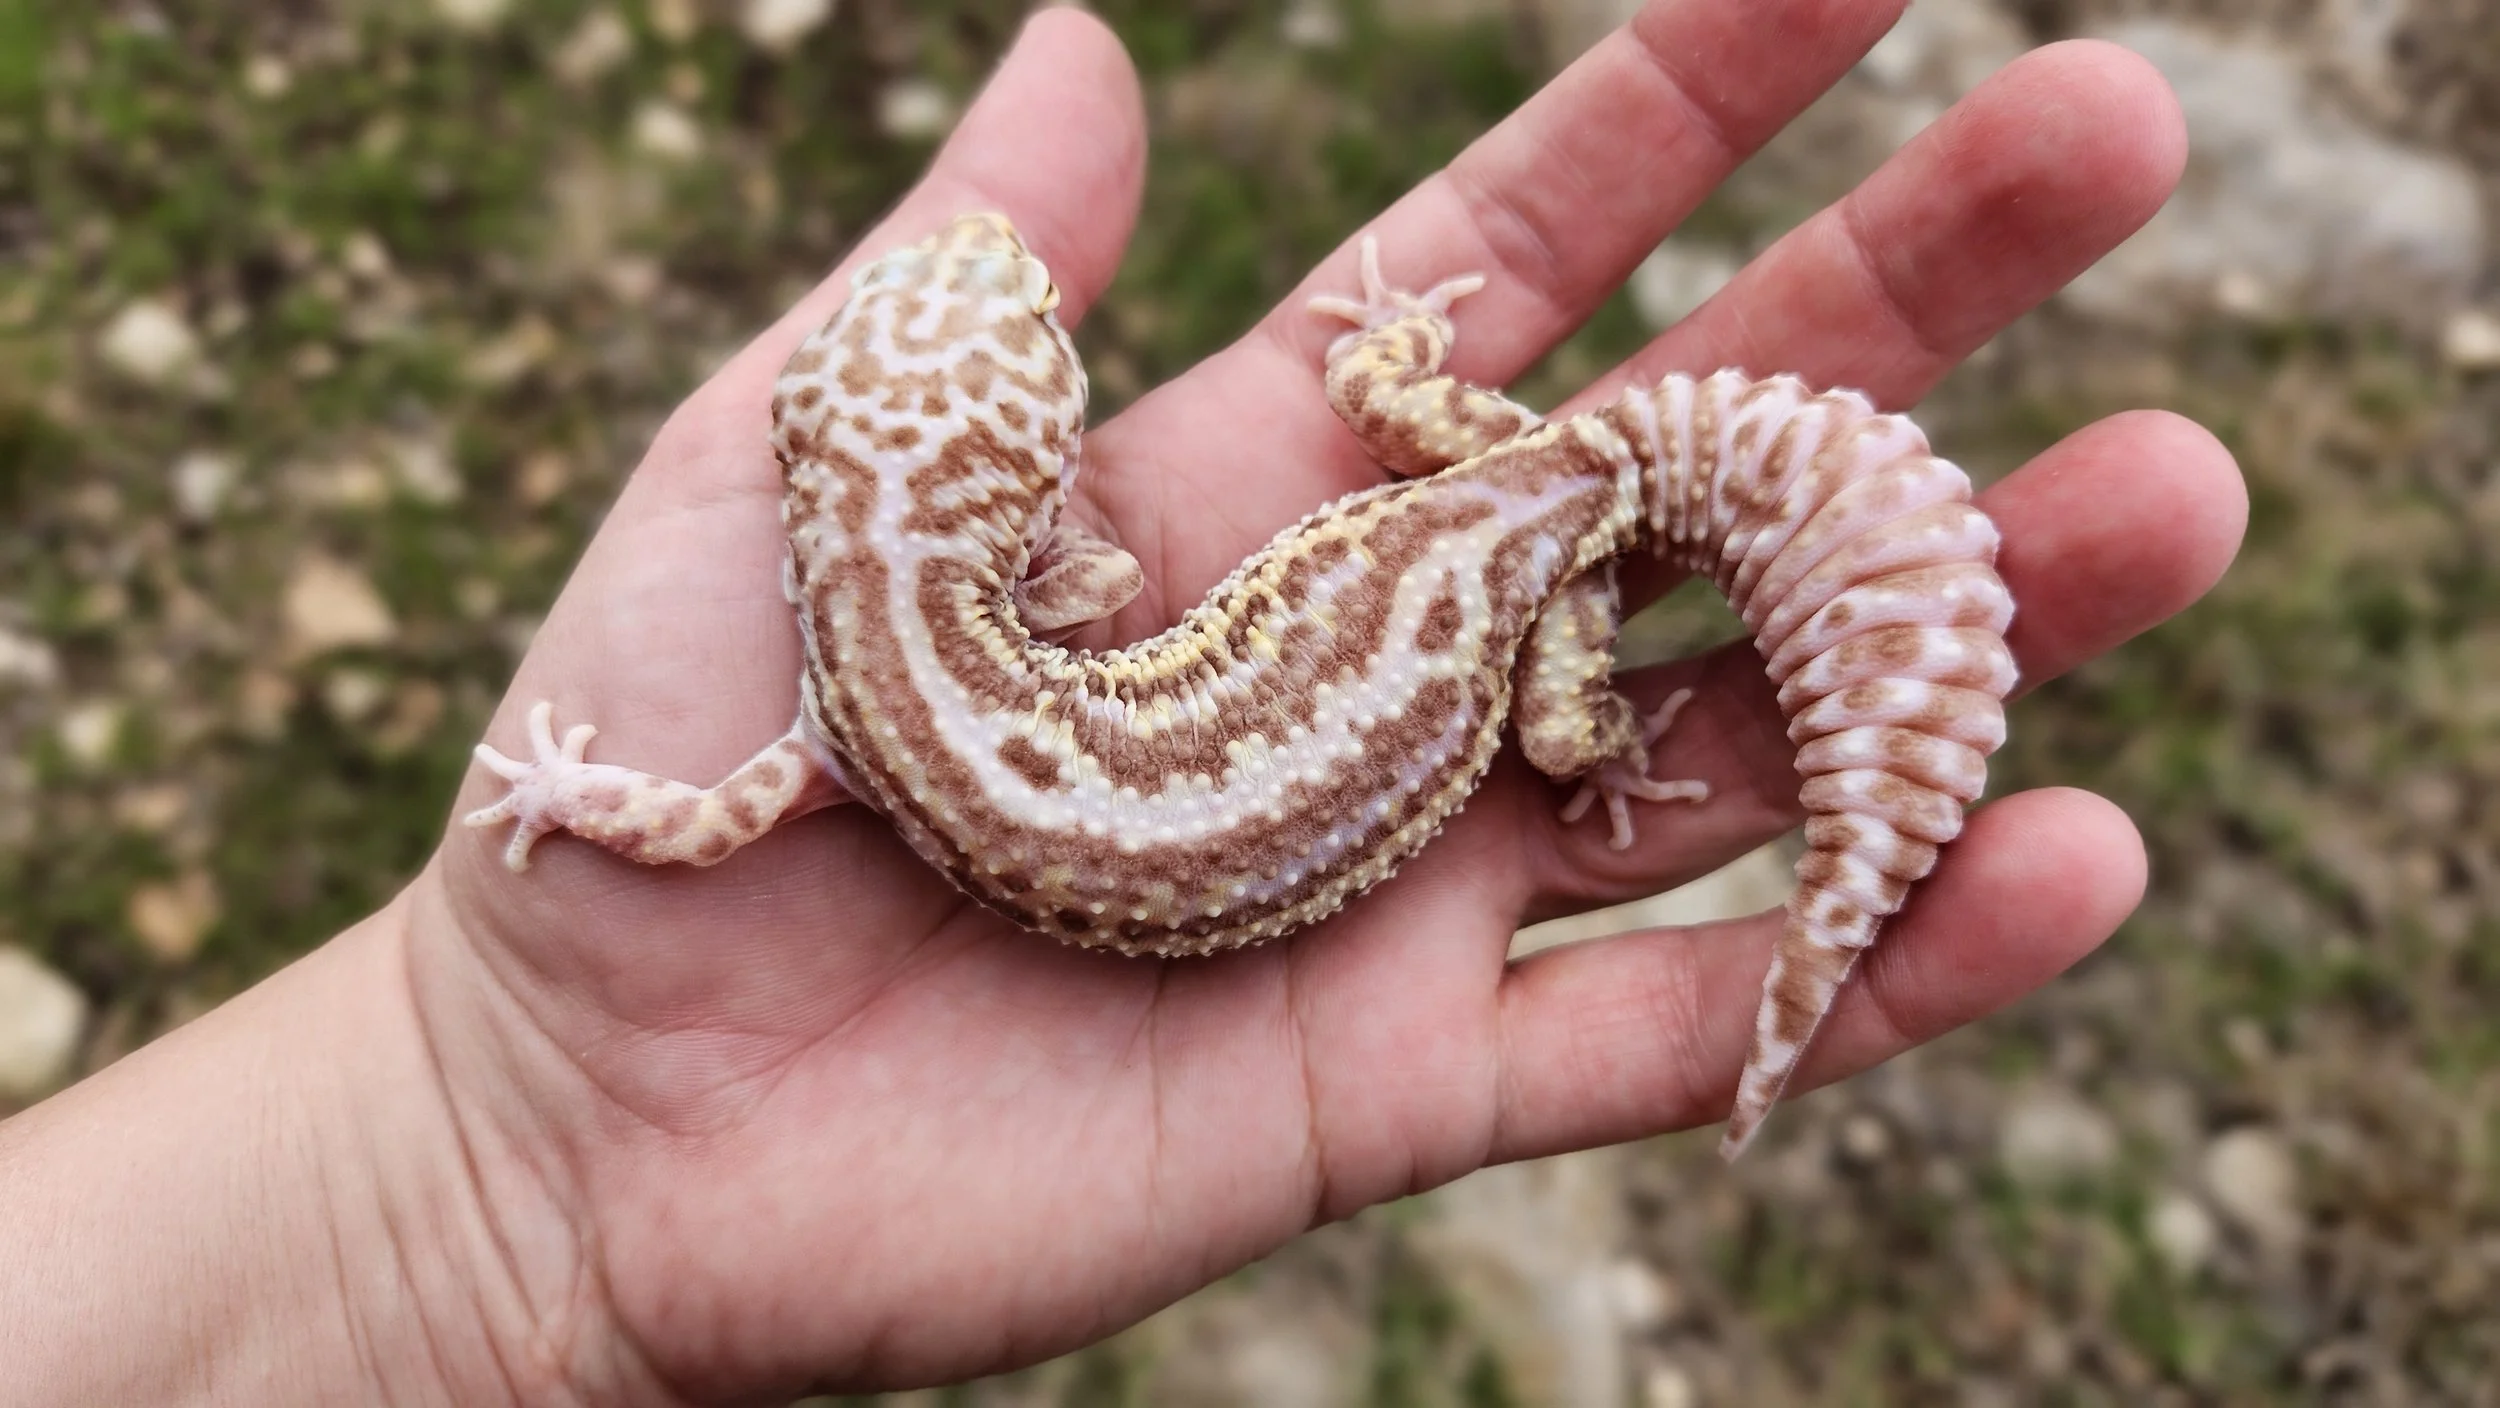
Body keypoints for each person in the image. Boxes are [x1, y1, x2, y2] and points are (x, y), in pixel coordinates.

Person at [0, 4, 2244, 1401]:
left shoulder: (840, 728)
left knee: (1571, 727)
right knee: (1569, 736)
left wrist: (568, 816)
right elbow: (1038, 609)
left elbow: (687, 818)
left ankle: (1816, 755)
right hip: (1496, 533)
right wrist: (466, 1101)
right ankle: (1784, 734)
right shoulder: (970, 644)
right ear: (997, 489)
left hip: (1511, 570)